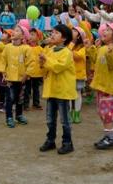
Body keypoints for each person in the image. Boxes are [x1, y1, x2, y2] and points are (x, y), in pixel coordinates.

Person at [39, 24, 76, 155]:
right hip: (51, 89)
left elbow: (57, 67)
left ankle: (67, 143)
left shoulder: (67, 53)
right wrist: (42, 60)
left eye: (56, 33)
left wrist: (45, 60)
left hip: (63, 91)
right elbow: (43, 65)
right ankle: (50, 140)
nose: (52, 35)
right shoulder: (50, 50)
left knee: (64, 120)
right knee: (50, 119)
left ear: (64, 38)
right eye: (52, 32)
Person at [89, 23, 113, 149]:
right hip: (101, 86)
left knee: (108, 113)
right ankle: (111, 133)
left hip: (110, 88)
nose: (104, 31)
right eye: (105, 29)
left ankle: (110, 137)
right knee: (102, 112)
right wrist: (92, 48)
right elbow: (95, 61)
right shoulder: (103, 48)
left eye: (108, 30)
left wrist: (110, 52)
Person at [0, 25, 34, 128]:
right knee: (9, 98)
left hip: (22, 79)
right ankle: (9, 117)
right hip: (10, 79)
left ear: (23, 36)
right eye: (14, 30)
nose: (14, 32)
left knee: (20, 98)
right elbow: (3, 60)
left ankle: (19, 115)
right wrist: (3, 71)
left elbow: (31, 63)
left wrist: (27, 74)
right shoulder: (7, 47)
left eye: (17, 30)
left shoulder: (26, 48)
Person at [69, 27, 87, 123]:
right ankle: (70, 114)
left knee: (77, 94)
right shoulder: (69, 44)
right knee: (68, 95)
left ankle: (76, 114)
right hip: (69, 74)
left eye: (75, 31)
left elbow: (77, 56)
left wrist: (70, 47)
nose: (72, 32)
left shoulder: (82, 47)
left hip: (78, 74)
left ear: (79, 35)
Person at [24, 28, 43, 110]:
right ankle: (25, 104)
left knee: (36, 89)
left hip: (37, 73)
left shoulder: (41, 49)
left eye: (33, 34)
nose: (30, 36)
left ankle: (36, 103)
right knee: (27, 89)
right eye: (30, 34)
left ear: (38, 37)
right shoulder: (25, 47)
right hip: (28, 73)